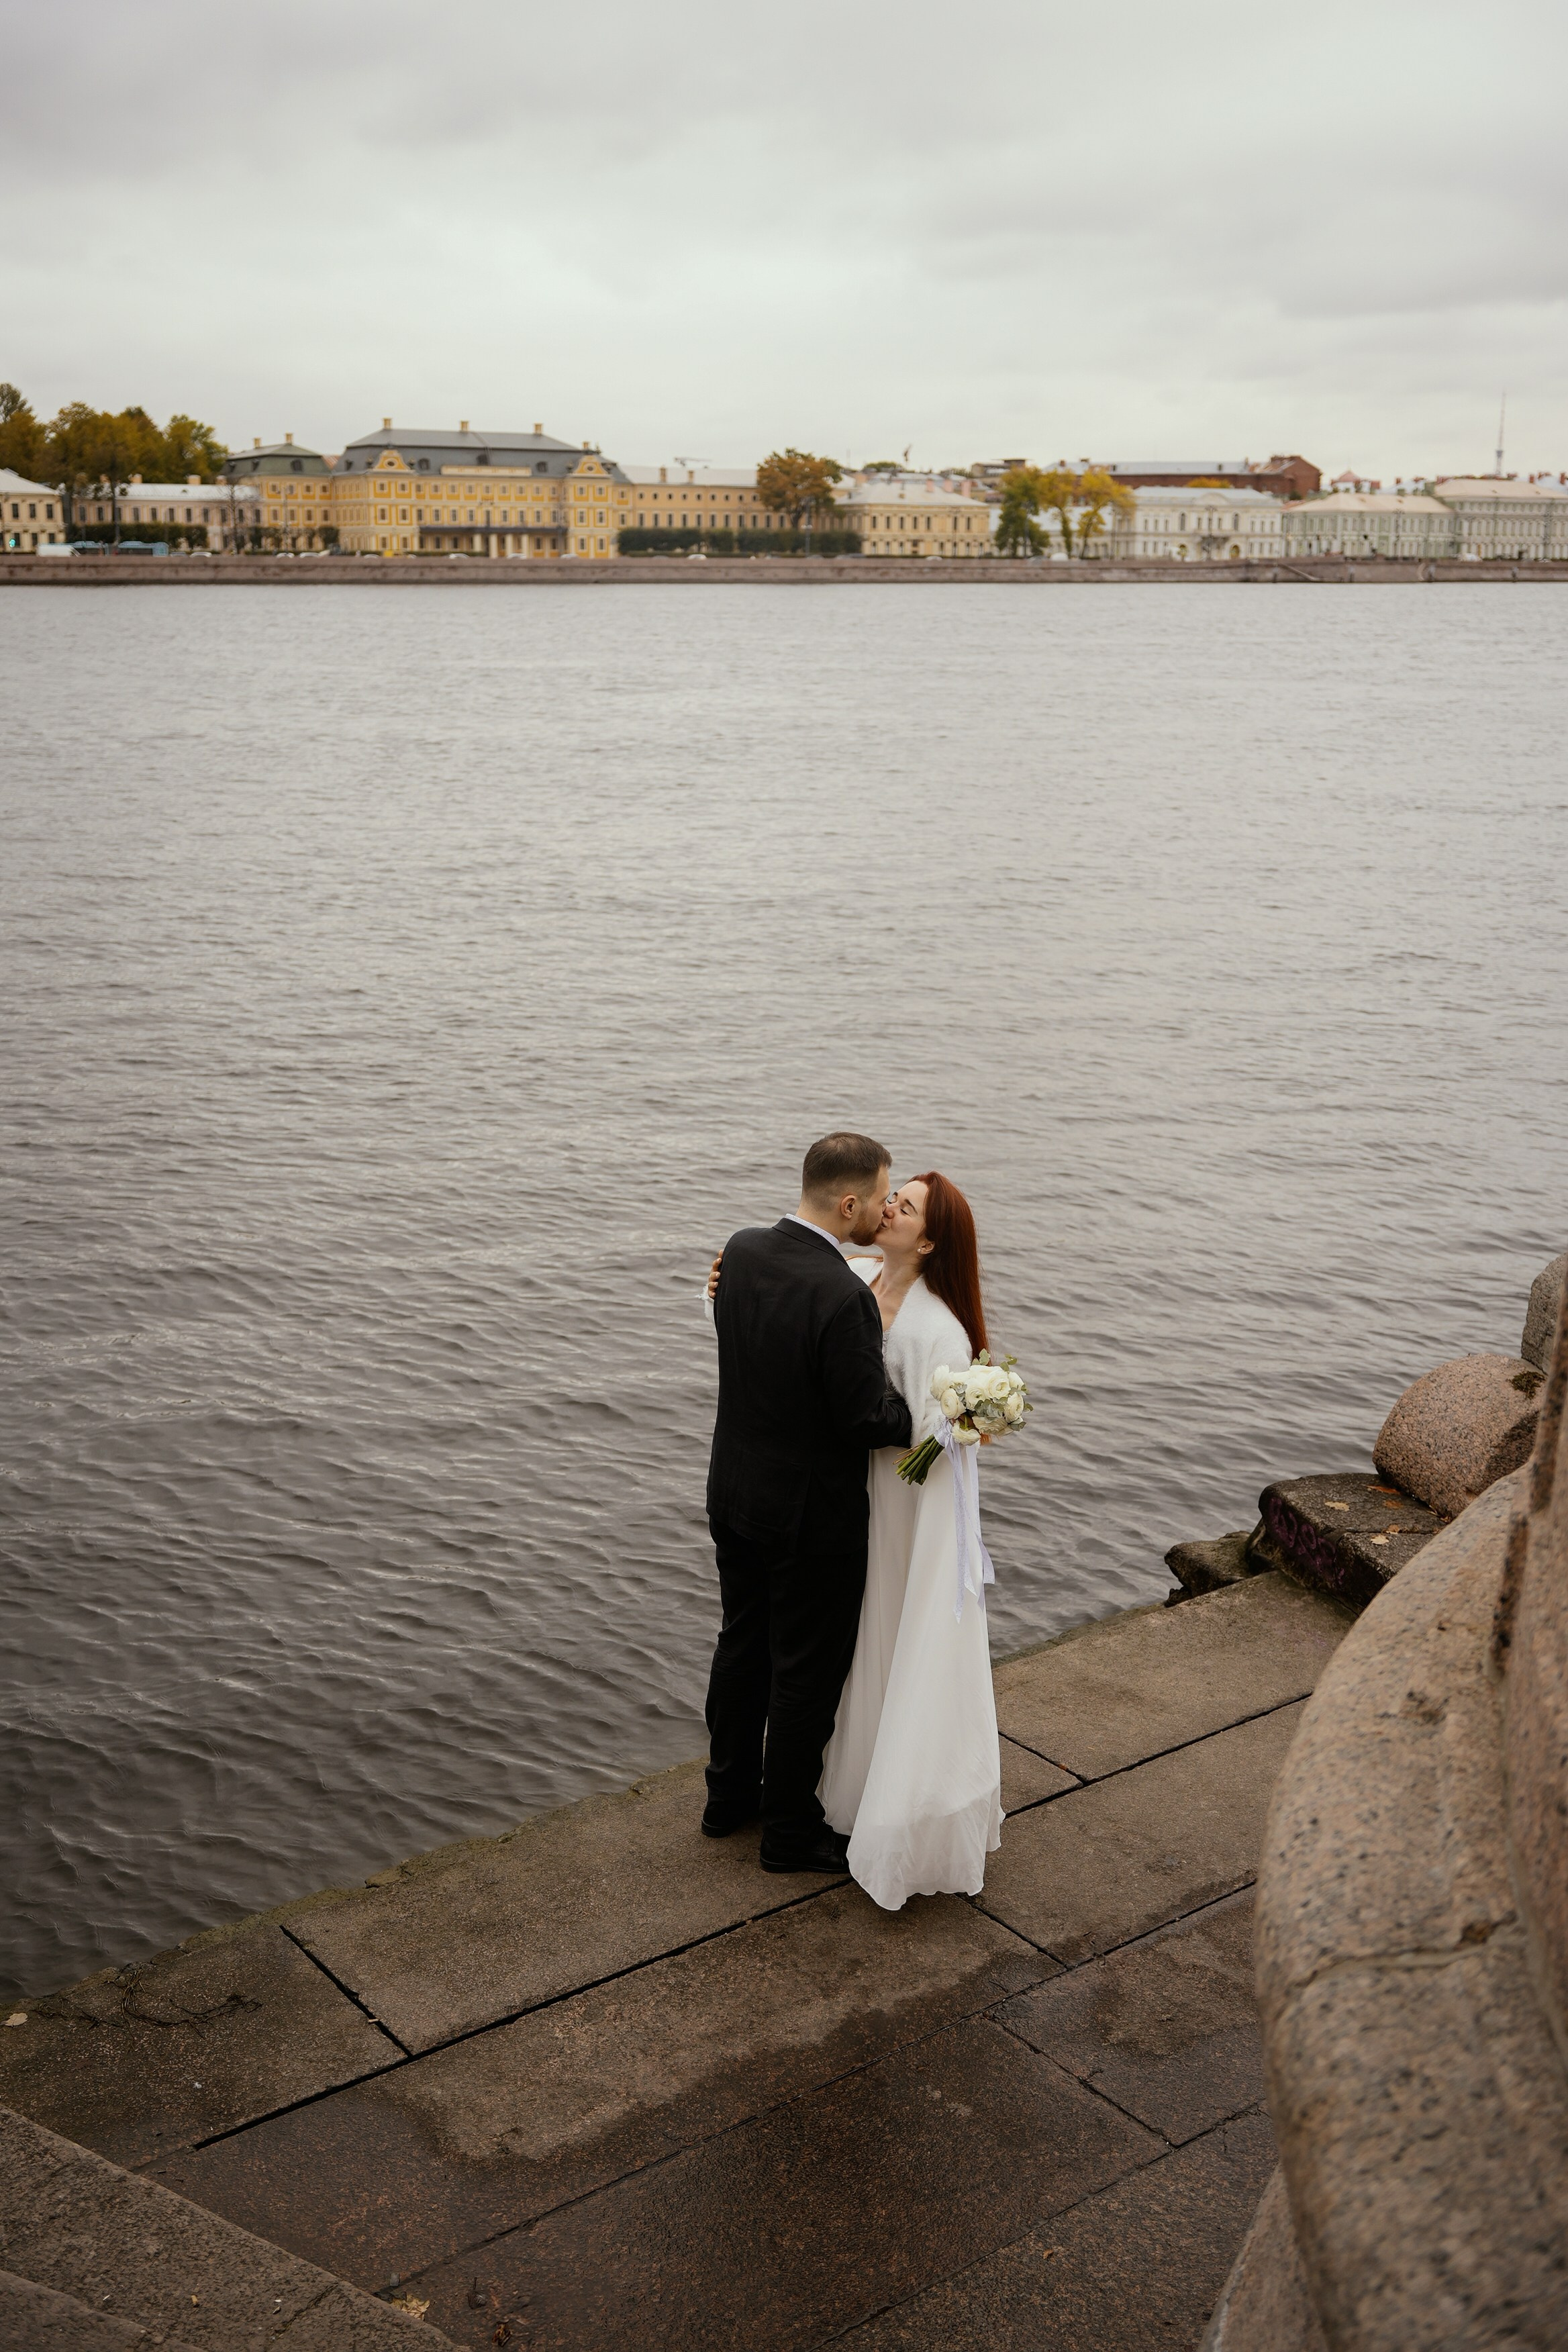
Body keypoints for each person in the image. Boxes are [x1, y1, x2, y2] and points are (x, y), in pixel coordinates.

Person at [703, 1132, 913, 1873]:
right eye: (883, 1195)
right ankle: (789, 1832)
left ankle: (726, 1799)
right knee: (804, 1671)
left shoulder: (742, 1249)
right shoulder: (842, 1296)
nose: (887, 1207)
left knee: (741, 1644)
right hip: (807, 1516)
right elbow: (862, 1420)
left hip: (732, 1493)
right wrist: (924, 1413)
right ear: (848, 1202)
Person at [818, 1173, 1003, 1910]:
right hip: (865, 1495)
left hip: (911, 1501)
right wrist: (720, 1286)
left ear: (927, 1240)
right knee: (868, 1630)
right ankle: (858, 1783)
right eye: (893, 1195)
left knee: (904, 1628)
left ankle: (906, 1812)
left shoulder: (939, 1329)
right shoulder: (857, 1276)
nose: (888, 1204)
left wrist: (961, 1420)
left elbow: (941, 1432)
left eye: (906, 1205)